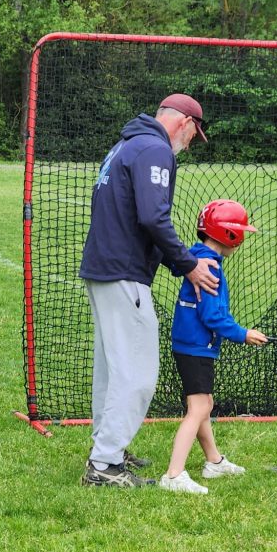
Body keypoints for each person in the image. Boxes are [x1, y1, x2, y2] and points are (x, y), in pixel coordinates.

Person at [78, 94, 219, 488]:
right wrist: (189, 265)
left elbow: (137, 218)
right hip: (124, 272)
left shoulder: (126, 143)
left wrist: (176, 263)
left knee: (110, 369)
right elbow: (153, 218)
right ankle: (105, 465)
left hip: (103, 267)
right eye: (195, 133)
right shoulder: (156, 149)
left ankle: (106, 451)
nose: (191, 142)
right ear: (184, 123)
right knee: (137, 371)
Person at [159, 200, 268, 495]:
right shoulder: (210, 269)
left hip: (191, 345)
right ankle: (173, 474)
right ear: (229, 235)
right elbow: (212, 316)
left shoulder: (198, 258)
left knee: (204, 404)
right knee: (198, 408)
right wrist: (243, 334)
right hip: (195, 346)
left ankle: (214, 461)